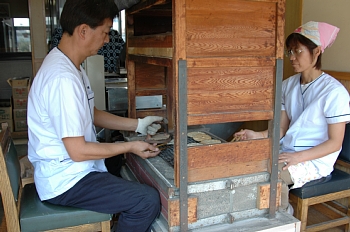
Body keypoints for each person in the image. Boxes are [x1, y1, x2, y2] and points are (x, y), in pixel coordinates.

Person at [27, 0, 163, 231]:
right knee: (146, 201)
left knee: (117, 158)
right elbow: (78, 151)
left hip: (67, 168)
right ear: (83, 31)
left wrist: (138, 125)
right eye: (105, 32)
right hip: (65, 180)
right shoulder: (62, 79)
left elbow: (90, 113)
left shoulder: (70, 65)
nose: (108, 39)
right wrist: (129, 147)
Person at [234, 21, 350, 214]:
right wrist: (257, 135)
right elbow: (281, 129)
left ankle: (282, 219)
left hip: (314, 159)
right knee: (244, 161)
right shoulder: (288, 85)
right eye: (290, 52)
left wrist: (298, 157)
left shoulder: (334, 92)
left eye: (298, 51)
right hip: (288, 151)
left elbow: (335, 143)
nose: (292, 57)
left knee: (270, 175)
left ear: (317, 51)